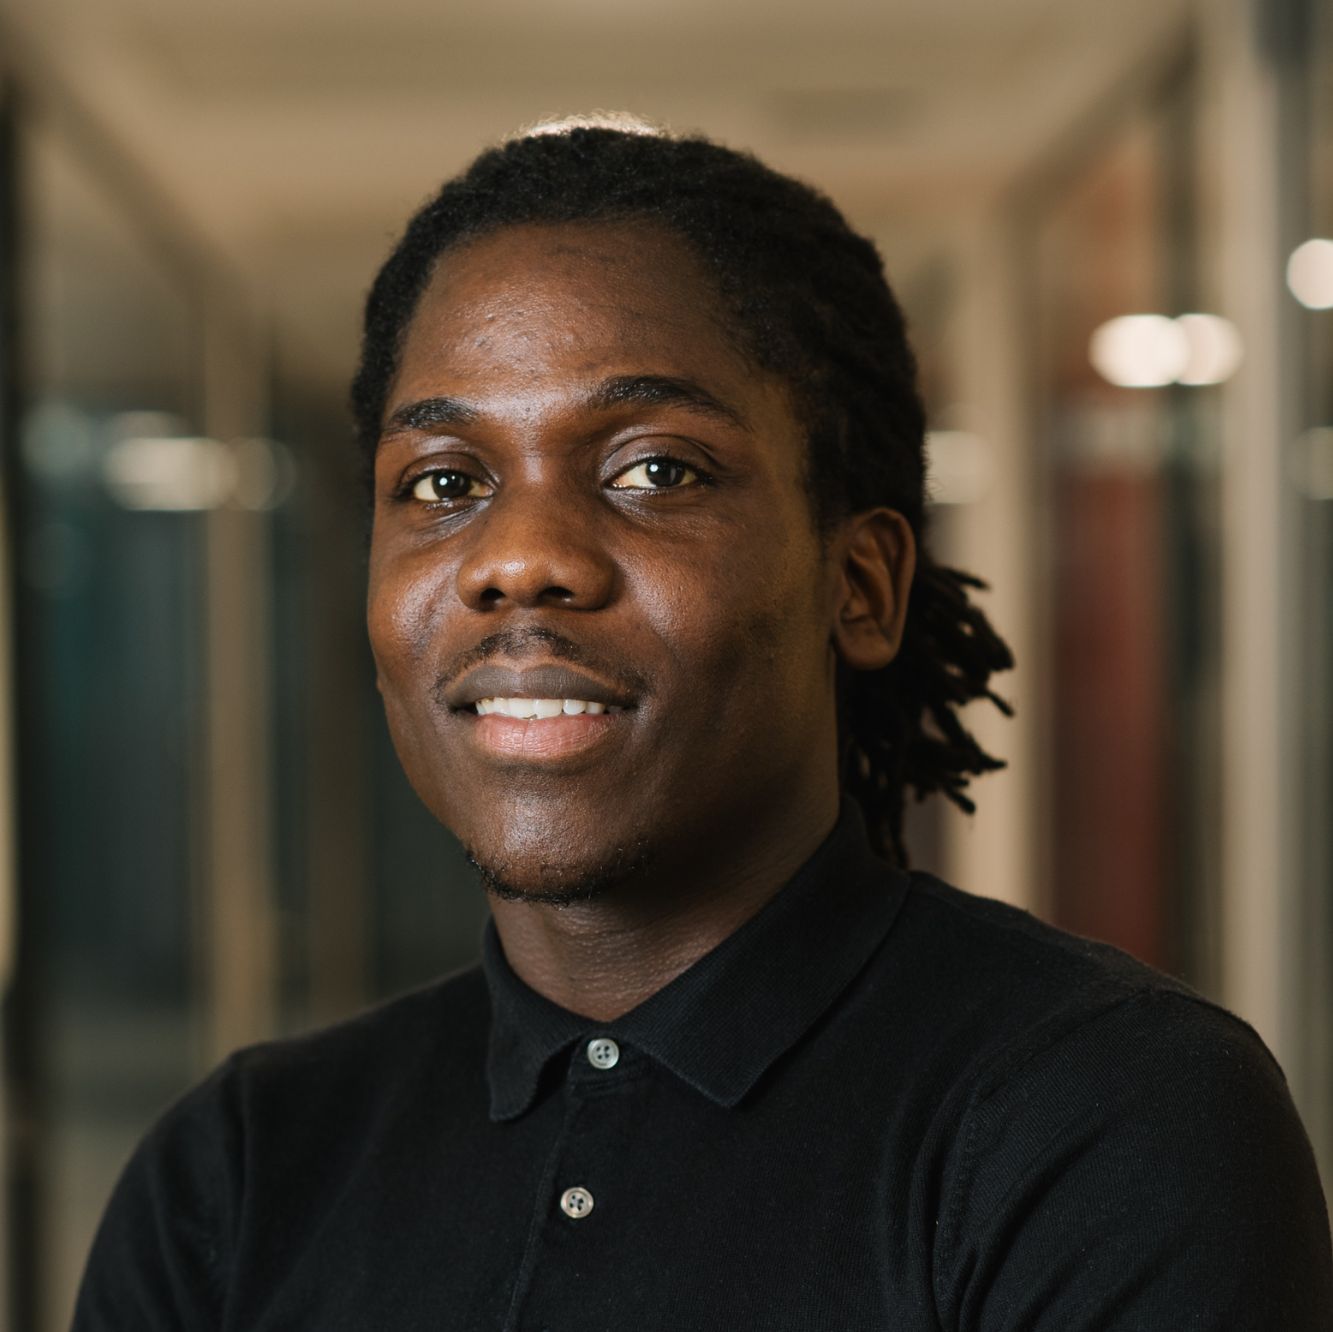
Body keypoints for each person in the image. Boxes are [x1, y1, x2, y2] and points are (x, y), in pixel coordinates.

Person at [75, 118, 1331, 1330]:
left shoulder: (1100, 1119)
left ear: (861, 584)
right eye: (445, 484)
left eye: (655, 471)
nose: (517, 562)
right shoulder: (236, 1177)